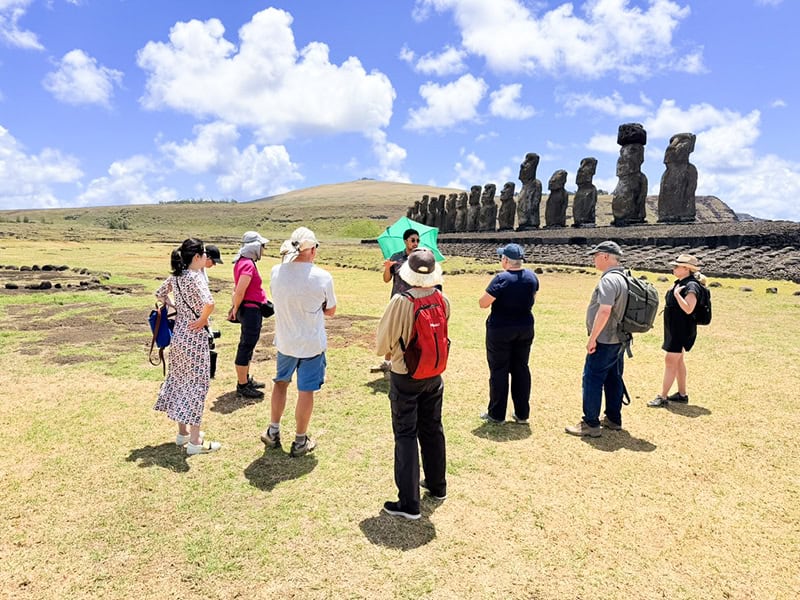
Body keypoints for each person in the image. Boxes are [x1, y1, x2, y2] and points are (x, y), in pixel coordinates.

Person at [376, 248, 449, 520]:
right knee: (432, 428)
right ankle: (437, 484)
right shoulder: (441, 298)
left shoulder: (402, 301)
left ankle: (409, 503)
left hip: (405, 373)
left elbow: (382, 343)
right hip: (434, 373)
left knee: (405, 434)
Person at [260, 227, 337, 457]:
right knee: (306, 391)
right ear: (312, 249)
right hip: (311, 343)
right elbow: (331, 310)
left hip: (285, 340)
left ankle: (273, 430)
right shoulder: (322, 276)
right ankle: (300, 440)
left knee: (280, 383)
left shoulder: (276, 271)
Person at [154, 238, 221, 455]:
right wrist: (202, 320)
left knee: (180, 380)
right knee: (197, 386)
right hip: (195, 337)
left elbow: (159, 293)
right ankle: (195, 442)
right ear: (197, 257)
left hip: (179, 335)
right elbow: (210, 302)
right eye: (203, 254)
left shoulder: (177, 276)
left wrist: (175, 308)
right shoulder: (195, 277)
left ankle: (182, 433)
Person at [565, 241, 628, 438]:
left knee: (592, 378)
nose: (594, 259)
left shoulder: (608, 280)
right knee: (613, 377)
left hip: (605, 338)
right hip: (619, 337)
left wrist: (593, 338)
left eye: (596, 255)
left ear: (606, 256)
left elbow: (604, 310)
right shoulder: (624, 277)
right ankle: (613, 418)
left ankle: (590, 423)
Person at [478, 243, 539, 424]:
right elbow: (533, 298)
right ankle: (522, 413)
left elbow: (483, 303)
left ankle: (497, 414)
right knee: (521, 368)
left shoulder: (501, 278)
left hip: (501, 328)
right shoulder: (532, 277)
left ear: (505, 260)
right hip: (525, 326)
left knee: (499, 370)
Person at [648, 254, 705, 407]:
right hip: (674, 328)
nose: (673, 268)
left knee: (670, 360)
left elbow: (688, 308)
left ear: (687, 269)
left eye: (677, 266)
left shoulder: (691, 285)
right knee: (678, 361)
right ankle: (682, 394)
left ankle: (663, 396)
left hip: (681, 329)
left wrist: (676, 295)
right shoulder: (681, 282)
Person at [228, 232, 270, 399]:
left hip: (250, 309)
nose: (264, 250)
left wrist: (236, 307)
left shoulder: (243, 262)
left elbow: (238, 290)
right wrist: (235, 309)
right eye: (262, 246)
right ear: (254, 247)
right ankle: (242, 385)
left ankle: (245, 379)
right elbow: (240, 290)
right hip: (251, 310)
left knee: (247, 345)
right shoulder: (247, 264)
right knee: (246, 346)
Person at [377, 229, 420, 372]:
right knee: (392, 331)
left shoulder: (420, 258)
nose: (415, 243)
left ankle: (407, 362)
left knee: (410, 333)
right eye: (412, 240)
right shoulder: (396, 257)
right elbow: (386, 280)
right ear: (405, 241)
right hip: (396, 300)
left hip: (413, 301)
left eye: (417, 240)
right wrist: (388, 268)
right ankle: (387, 362)